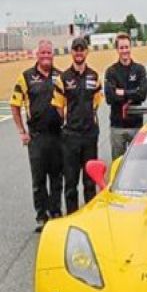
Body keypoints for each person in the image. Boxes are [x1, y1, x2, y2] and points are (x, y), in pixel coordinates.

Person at [9, 39, 63, 231]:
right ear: (37, 54)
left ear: (53, 54)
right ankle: (42, 216)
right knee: (39, 180)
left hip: (58, 135)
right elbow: (14, 105)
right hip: (37, 137)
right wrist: (21, 131)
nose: (46, 56)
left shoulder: (60, 76)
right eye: (43, 52)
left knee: (57, 178)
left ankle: (56, 213)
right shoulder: (26, 77)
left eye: (49, 52)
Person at [52, 37, 103, 214]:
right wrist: (71, 120)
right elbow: (59, 107)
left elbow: (96, 103)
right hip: (71, 137)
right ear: (72, 52)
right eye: (76, 49)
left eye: (82, 49)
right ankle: (72, 217)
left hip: (89, 136)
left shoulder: (94, 76)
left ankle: (90, 217)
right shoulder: (63, 78)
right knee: (71, 183)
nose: (79, 53)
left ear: (87, 52)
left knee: (90, 182)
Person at [104, 32, 147, 160]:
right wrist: (133, 93)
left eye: (127, 47)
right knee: (118, 164)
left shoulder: (139, 69)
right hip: (117, 126)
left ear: (130, 47)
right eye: (121, 48)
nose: (124, 51)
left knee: (137, 163)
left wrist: (122, 92)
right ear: (117, 49)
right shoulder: (111, 71)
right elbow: (110, 98)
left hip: (136, 125)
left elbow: (142, 94)